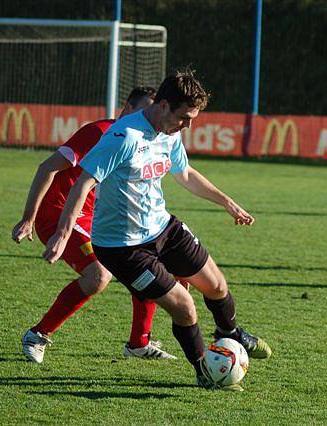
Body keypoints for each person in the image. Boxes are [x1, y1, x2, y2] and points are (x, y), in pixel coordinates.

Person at [43, 70, 271, 392]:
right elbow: (84, 182)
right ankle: (205, 371)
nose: (188, 125)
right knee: (184, 306)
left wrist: (227, 203)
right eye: (185, 117)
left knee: (216, 285)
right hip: (123, 246)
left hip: (161, 227)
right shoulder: (124, 137)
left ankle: (230, 334)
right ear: (163, 105)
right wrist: (63, 233)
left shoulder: (170, 132)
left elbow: (186, 173)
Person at [13, 87, 178, 362]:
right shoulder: (99, 132)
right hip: (59, 215)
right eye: (142, 110)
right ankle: (38, 334)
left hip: (97, 219)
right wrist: (28, 218)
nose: (148, 117)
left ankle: (138, 343)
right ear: (126, 108)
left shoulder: (145, 140)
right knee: (98, 276)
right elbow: (47, 168)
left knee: (148, 264)